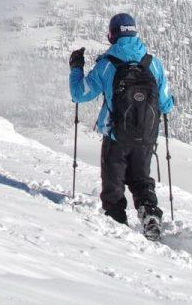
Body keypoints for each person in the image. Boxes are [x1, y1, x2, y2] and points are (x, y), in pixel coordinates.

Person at [70, 12, 174, 236]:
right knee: (141, 179)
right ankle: (150, 213)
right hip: (146, 137)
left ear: (111, 35)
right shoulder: (152, 63)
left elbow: (79, 94)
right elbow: (166, 105)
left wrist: (76, 68)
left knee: (113, 185)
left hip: (115, 136)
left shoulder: (107, 65)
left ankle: (119, 229)